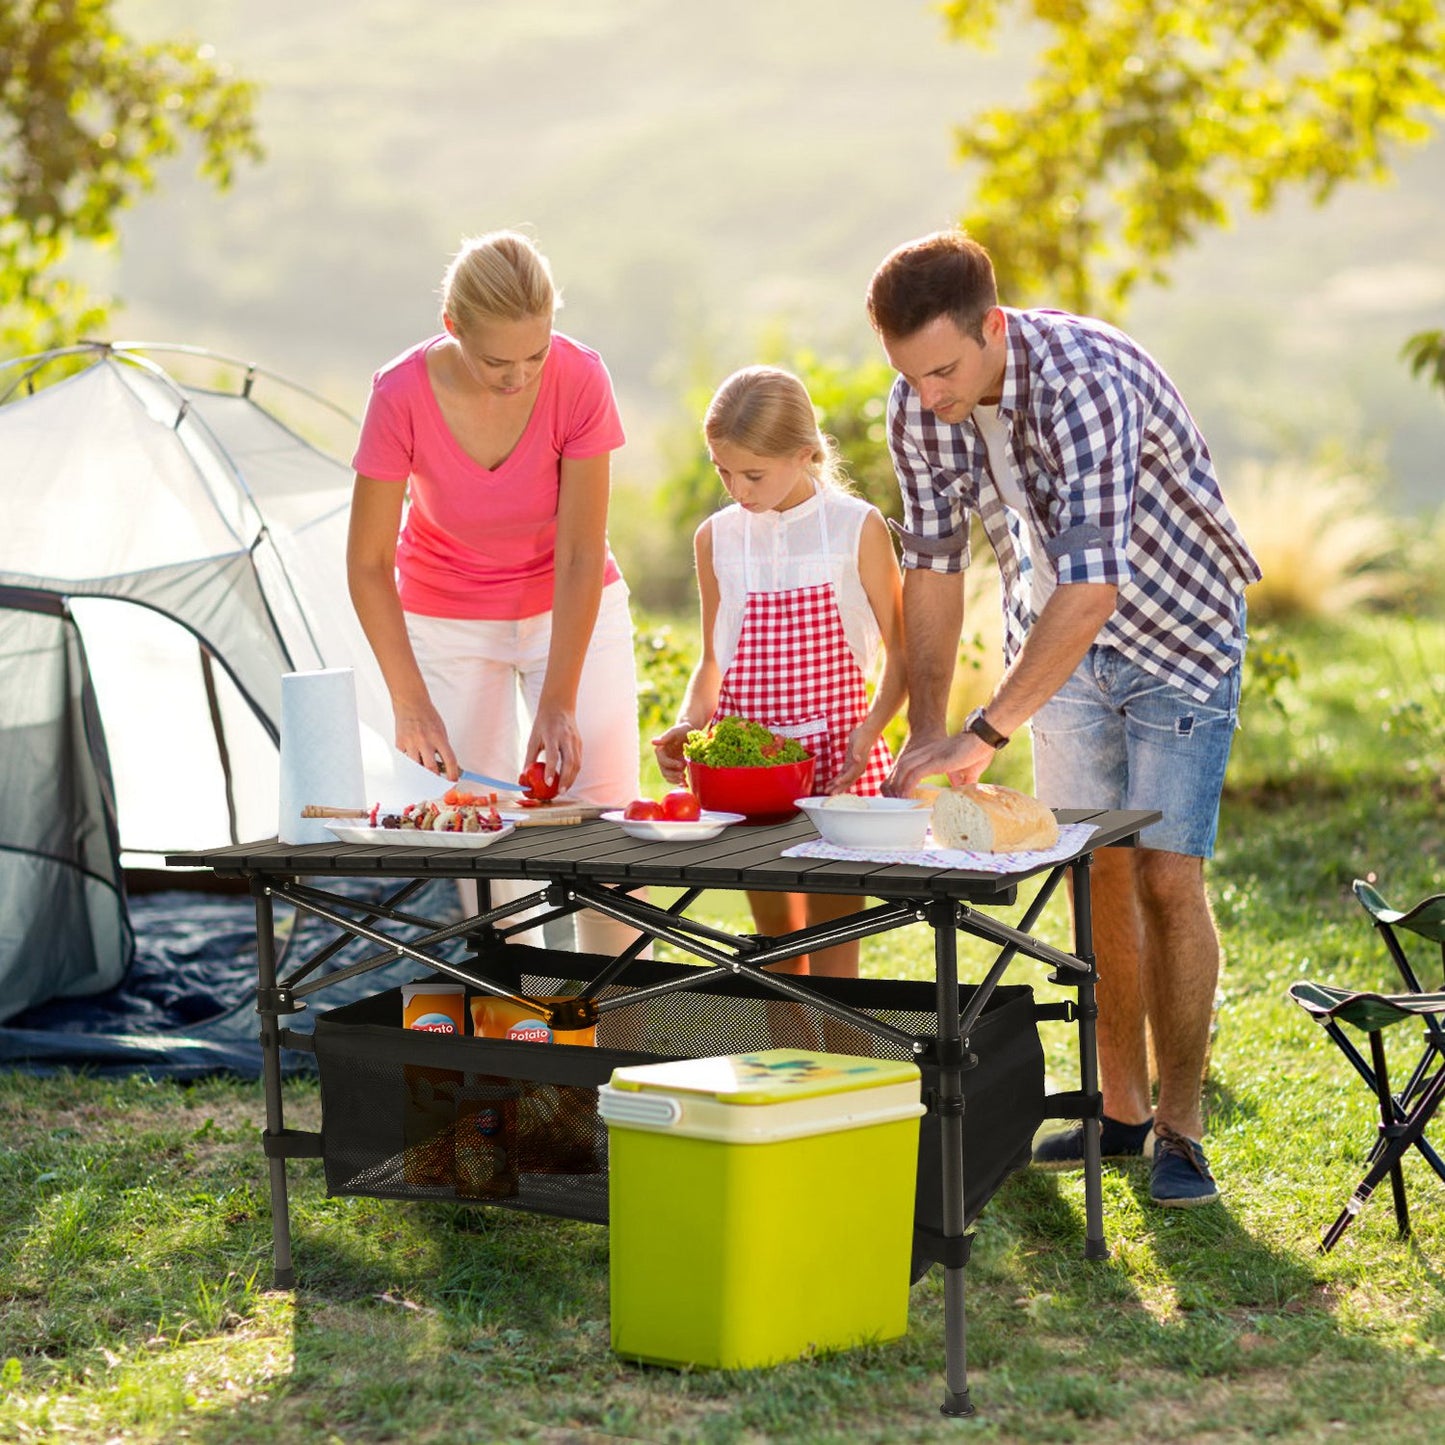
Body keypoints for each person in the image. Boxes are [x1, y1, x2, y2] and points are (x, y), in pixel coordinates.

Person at [866, 230, 1260, 1207]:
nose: (928, 397)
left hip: (1175, 633)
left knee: (1167, 874)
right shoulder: (919, 403)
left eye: (943, 371)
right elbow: (929, 564)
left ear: (992, 327)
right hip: (1053, 646)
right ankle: (1116, 1109)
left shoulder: (1083, 381)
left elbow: (1091, 587)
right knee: (1095, 871)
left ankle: (1180, 1129)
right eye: (910, 376)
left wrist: (984, 731)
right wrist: (926, 732)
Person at [347, 229, 642, 953]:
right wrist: (410, 704)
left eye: (534, 355)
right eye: (496, 361)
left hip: (571, 606)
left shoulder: (580, 376)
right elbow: (366, 562)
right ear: (452, 327)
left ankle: (618, 1025)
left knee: (606, 825)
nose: (519, 378)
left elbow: (578, 553)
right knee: (479, 837)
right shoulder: (400, 392)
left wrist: (559, 700)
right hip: (447, 618)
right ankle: (521, 1028)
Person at [653, 366, 907, 983]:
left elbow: (904, 654)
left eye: (754, 474)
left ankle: (843, 1069)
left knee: (835, 943)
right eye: (724, 471)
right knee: (775, 947)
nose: (737, 488)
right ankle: (786, 1065)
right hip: (748, 778)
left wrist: (872, 730)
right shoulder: (716, 537)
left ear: (805, 454)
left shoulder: (856, 527)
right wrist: (690, 724)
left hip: (837, 763)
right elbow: (716, 659)